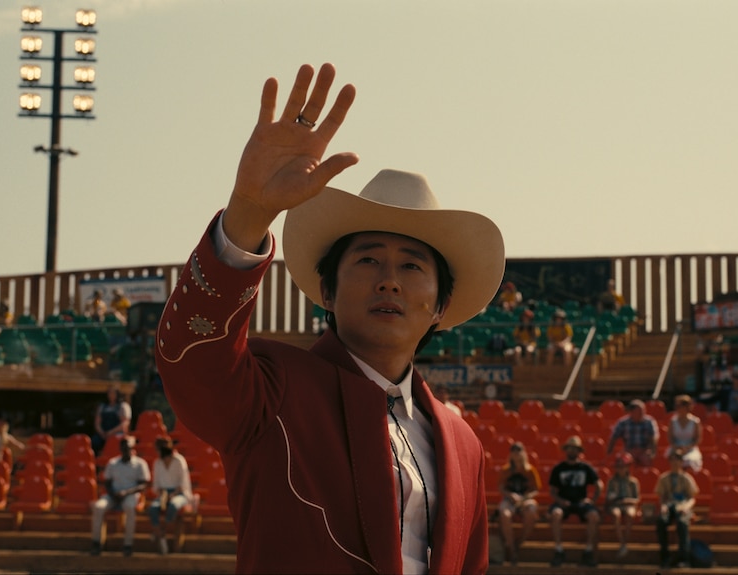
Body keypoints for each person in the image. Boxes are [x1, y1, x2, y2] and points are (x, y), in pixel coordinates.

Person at [155, 63, 505, 574]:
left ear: (440, 307)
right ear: (327, 289)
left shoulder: (463, 443)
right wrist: (249, 213)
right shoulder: (269, 393)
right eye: (367, 260)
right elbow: (193, 364)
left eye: (411, 265)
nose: (389, 280)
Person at [90, 436, 150, 557]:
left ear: (132, 448)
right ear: (121, 449)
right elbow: (107, 482)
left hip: (131, 495)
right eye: (124, 448)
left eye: (129, 448)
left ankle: (128, 544)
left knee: (129, 507)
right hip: (113, 494)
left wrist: (126, 493)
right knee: (98, 507)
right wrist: (113, 494)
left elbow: (143, 484)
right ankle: (97, 543)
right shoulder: (113, 463)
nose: (127, 450)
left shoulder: (140, 463)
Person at [547, 435, 601, 568]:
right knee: (555, 514)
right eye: (570, 448)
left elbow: (599, 485)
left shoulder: (585, 468)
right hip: (563, 502)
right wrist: (560, 501)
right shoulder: (558, 468)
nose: (572, 451)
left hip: (581, 502)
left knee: (594, 516)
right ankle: (558, 550)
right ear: (566, 450)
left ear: (579, 451)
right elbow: (552, 491)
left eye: (575, 449)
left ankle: (588, 551)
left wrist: (592, 500)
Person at [147, 437, 199, 555]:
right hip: (164, 494)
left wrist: (173, 494)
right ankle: (160, 533)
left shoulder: (179, 460)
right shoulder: (157, 462)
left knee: (174, 505)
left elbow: (184, 484)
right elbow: (156, 485)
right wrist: (164, 494)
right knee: (153, 509)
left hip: (180, 494)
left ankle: (161, 531)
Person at [497, 442, 540, 566]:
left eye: (519, 450)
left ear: (524, 453)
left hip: (525, 499)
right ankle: (511, 548)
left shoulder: (530, 470)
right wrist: (511, 495)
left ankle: (519, 541)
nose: (516, 453)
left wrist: (525, 498)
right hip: (509, 500)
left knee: (531, 511)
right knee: (504, 514)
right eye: (514, 451)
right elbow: (501, 488)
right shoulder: (505, 470)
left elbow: (535, 489)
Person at [654, 448, 698, 569]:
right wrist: (663, 507)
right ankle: (664, 557)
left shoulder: (686, 478)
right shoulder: (664, 478)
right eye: (672, 460)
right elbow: (662, 497)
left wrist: (686, 507)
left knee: (682, 523)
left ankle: (684, 558)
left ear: (681, 462)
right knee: (661, 521)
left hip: (682, 506)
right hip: (669, 506)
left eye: (677, 460)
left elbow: (692, 498)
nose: (674, 463)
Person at [604, 451, 640, 559]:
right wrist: (614, 500)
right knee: (616, 514)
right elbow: (608, 497)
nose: (620, 469)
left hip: (629, 504)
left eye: (623, 466)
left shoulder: (633, 482)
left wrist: (626, 501)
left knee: (629, 514)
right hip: (615, 504)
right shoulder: (612, 481)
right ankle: (621, 542)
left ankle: (625, 542)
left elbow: (637, 499)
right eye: (618, 467)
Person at [606, 399, 659, 467]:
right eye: (639, 411)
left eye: (643, 411)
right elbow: (613, 437)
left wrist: (652, 452)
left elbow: (654, 437)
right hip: (629, 451)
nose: (642, 413)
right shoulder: (623, 422)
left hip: (644, 451)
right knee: (623, 461)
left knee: (647, 460)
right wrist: (609, 453)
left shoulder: (649, 422)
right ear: (631, 412)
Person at [666, 394, 703, 471]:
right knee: (671, 459)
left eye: (680, 406)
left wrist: (687, 448)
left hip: (690, 448)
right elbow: (670, 438)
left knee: (690, 461)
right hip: (675, 448)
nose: (678, 408)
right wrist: (676, 447)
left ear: (687, 407)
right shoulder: (672, 421)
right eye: (677, 406)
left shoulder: (695, 421)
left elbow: (697, 439)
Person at [92, 386, 132, 454]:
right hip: (104, 433)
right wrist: (102, 433)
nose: (111, 395)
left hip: (117, 433)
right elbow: (97, 423)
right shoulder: (102, 406)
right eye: (109, 393)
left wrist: (111, 432)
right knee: (94, 441)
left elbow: (124, 423)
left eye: (113, 393)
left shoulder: (123, 406)